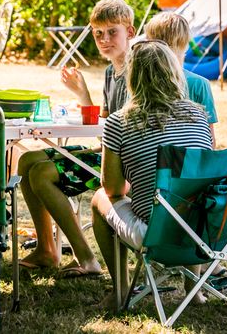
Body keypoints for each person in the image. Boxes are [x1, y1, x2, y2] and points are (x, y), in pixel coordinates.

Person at [15, 0, 137, 273]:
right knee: (27, 160)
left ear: (129, 32)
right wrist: (82, 93)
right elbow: (105, 120)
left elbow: (126, 129)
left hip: (124, 165)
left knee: (42, 173)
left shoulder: (135, 71)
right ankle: (46, 249)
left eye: (112, 32)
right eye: (98, 34)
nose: (104, 40)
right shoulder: (110, 71)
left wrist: (99, 148)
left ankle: (86, 258)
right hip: (108, 151)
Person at [91, 40, 213, 306]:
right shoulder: (199, 115)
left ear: (132, 77)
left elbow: (113, 189)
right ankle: (195, 291)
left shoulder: (119, 122)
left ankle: (120, 290)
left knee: (100, 197)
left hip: (156, 234)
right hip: (207, 232)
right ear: (174, 72)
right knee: (188, 195)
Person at [143, 12, 218, 145]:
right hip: (188, 162)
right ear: (186, 44)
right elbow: (210, 141)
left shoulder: (140, 79)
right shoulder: (200, 84)